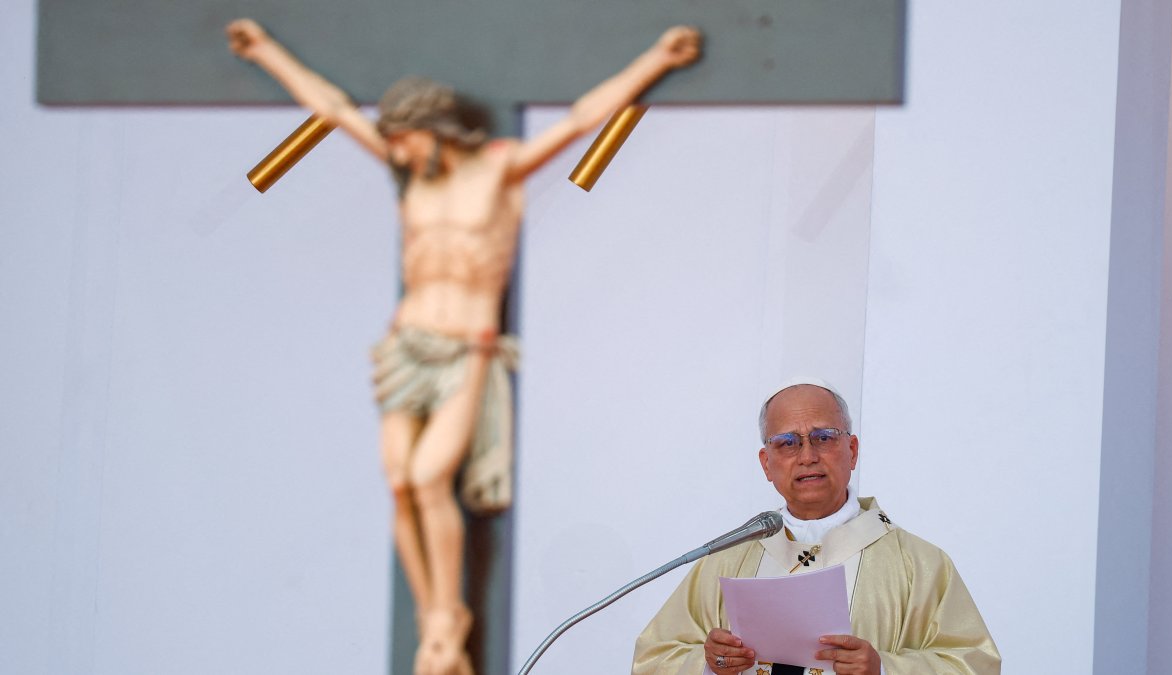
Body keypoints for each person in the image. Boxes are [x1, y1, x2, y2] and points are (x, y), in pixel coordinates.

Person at [226, 20, 702, 675]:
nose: (395, 152)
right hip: (405, 347)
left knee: (428, 478)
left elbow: (583, 118)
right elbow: (332, 108)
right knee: (398, 483)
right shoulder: (409, 178)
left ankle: (451, 616)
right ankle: (436, 620)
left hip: (466, 350)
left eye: (406, 137)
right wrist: (266, 50)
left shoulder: (500, 168)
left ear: (438, 127)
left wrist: (655, 60)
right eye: (390, 141)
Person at [631, 378, 1000, 675]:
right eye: (787, 443)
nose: (807, 456)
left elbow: (976, 664)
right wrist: (708, 665)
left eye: (824, 437)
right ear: (766, 463)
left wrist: (884, 669)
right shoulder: (725, 559)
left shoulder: (920, 564)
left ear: (852, 450)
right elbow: (653, 658)